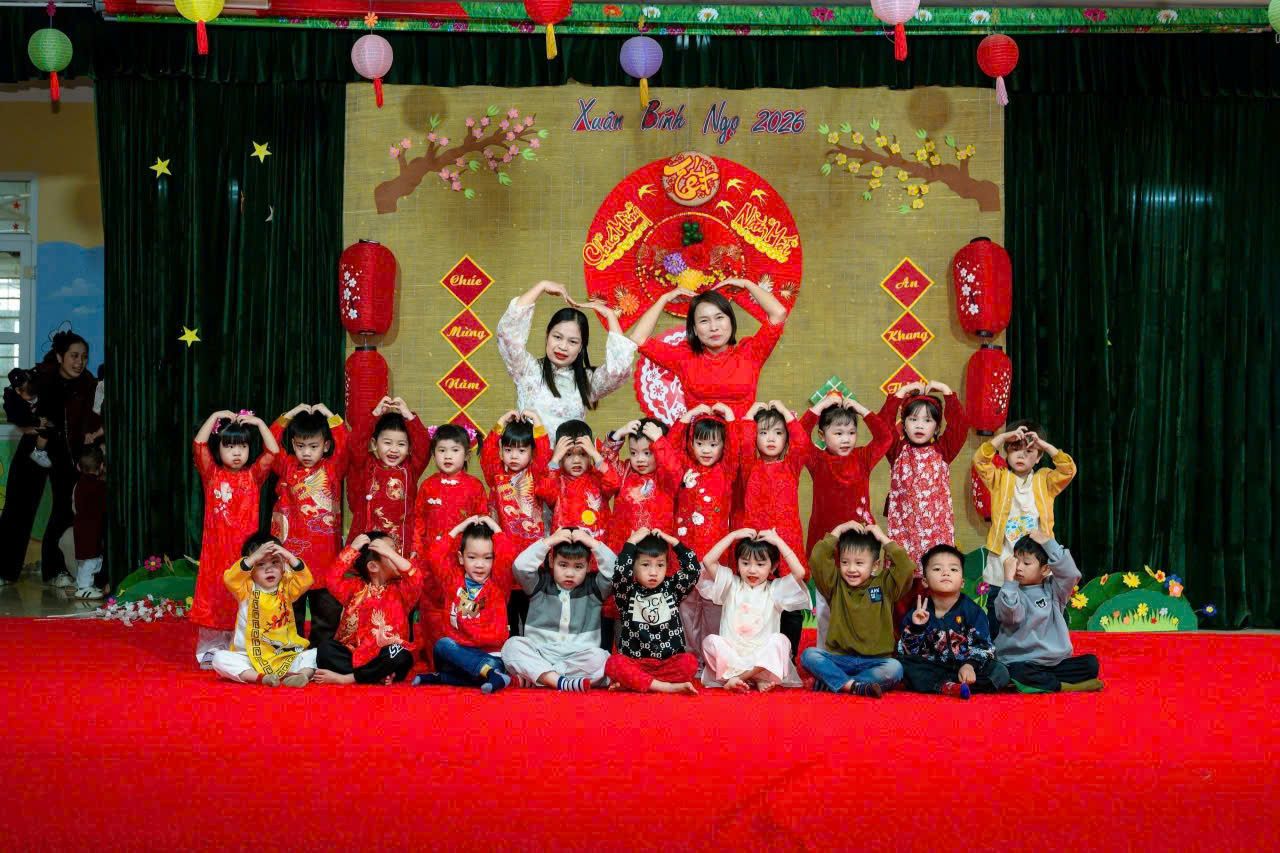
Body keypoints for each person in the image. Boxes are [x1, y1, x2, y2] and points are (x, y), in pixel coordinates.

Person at [0, 331, 97, 587]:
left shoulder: (88, 383)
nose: (79, 362)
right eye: (74, 356)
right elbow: (13, 400)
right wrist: (27, 422)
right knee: (19, 506)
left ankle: (55, 571)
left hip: (67, 452)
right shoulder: (41, 376)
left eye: (84, 357)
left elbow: (93, 416)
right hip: (35, 447)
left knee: (65, 509)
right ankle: (4, 570)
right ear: (59, 356)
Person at [650, 403, 742, 665]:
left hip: (714, 557)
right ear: (691, 443)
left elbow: (736, 449)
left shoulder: (726, 471)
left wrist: (731, 418)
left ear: (722, 446)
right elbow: (669, 449)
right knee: (686, 608)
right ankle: (690, 658)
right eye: (700, 443)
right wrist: (686, 417)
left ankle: (712, 658)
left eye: (713, 444)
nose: (706, 450)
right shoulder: (683, 468)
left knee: (714, 608)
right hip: (685, 556)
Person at [800, 392, 893, 650]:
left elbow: (885, 437)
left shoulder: (863, 457)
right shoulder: (817, 460)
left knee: (860, 605)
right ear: (822, 435)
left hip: (859, 546)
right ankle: (825, 654)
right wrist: (819, 406)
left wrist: (862, 410)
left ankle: (861, 651)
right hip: (826, 543)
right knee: (825, 607)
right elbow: (798, 436)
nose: (846, 439)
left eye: (851, 433)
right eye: (838, 433)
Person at [189, 409, 279, 665]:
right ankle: (210, 652)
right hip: (216, 553)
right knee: (215, 598)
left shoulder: (254, 476)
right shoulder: (211, 474)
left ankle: (242, 649)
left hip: (245, 555)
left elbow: (273, 452)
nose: (237, 453)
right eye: (229, 447)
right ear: (219, 450)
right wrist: (216, 416)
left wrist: (259, 423)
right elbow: (199, 443)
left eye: (242, 446)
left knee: (244, 599)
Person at [878, 381, 971, 627]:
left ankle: (937, 637)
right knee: (902, 593)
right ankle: (901, 640)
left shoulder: (943, 449)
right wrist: (898, 394)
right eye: (913, 419)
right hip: (904, 536)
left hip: (935, 538)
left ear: (937, 427)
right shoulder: (897, 450)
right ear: (903, 424)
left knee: (935, 592)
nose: (919, 425)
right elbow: (881, 426)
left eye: (927, 420)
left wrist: (947, 392)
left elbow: (961, 425)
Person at [496, 279, 637, 440]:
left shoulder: (587, 381)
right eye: (557, 337)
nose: (563, 347)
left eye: (573, 342)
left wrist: (610, 316)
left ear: (581, 346)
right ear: (547, 336)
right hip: (530, 456)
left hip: (571, 456)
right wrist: (541, 286)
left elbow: (619, 370)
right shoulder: (525, 369)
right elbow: (507, 334)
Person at [626, 283, 787, 418]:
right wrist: (664, 299)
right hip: (698, 444)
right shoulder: (684, 357)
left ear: (731, 322)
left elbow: (778, 313)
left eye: (719, 317)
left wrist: (747, 284)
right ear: (695, 330)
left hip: (742, 443)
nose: (714, 327)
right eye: (704, 321)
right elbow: (639, 338)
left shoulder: (750, 354)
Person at [801, 522, 913, 697]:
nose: (851, 569)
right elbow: (817, 559)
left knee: (895, 668)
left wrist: (883, 539)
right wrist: (838, 530)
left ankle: (836, 683)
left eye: (859, 563)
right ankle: (855, 686)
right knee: (809, 655)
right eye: (845, 562)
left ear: (875, 565)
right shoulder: (834, 584)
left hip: (875, 661)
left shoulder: (885, 585)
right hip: (840, 660)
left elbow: (906, 568)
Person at [269, 403, 348, 645]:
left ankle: (322, 653)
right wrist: (289, 415)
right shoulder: (287, 466)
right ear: (293, 444)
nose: (306, 453)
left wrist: (331, 416)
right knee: (290, 612)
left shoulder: (332, 468)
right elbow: (270, 444)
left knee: (326, 614)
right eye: (300, 446)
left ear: (326, 445)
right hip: (291, 555)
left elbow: (346, 445)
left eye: (314, 446)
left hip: (325, 556)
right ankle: (291, 650)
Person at [500, 527, 617, 692]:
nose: (570, 573)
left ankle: (540, 677)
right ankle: (562, 682)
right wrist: (548, 542)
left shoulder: (594, 588)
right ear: (551, 560)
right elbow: (520, 567)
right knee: (511, 646)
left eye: (578, 567)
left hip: (577, 656)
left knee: (601, 659)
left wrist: (593, 544)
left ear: (589, 565)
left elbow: (616, 571)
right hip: (540, 653)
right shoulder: (539, 583)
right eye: (563, 565)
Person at [735, 400, 811, 654]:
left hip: (787, 542)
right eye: (763, 432)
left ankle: (788, 657)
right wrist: (749, 415)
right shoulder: (750, 466)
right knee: (757, 602)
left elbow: (802, 443)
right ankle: (757, 653)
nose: (770, 438)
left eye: (778, 433)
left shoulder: (791, 466)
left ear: (786, 439)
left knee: (790, 606)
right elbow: (744, 444)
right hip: (757, 546)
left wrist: (787, 414)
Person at [989, 529, 1102, 693]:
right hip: (1020, 661)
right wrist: (1008, 581)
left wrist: (1049, 543)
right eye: (1016, 561)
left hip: (1053, 663)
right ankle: (1063, 686)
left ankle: (1041, 682)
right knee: (1015, 672)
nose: (1018, 567)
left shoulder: (1054, 589)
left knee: (1091, 664)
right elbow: (1013, 618)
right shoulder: (1008, 592)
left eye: (1026, 563)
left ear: (1045, 569)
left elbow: (1070, 574)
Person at [697, 528, 811, 692]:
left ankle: (740, 679)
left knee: (781, 641)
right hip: (733, 660)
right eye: (745, 563)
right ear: (737, 564)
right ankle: (754, 678)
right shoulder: (731, 584)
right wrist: (733, 536)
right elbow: (708, 561)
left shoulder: (775, 590)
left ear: (773, 567)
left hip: (762, 662)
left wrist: (778, 541)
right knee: (710, 642)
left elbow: (800, 572)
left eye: (760, 564)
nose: (752, 570)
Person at [414, 516, 517, 692]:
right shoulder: (452, 580)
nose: (480, 565)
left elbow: (508, 555)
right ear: (461, 558)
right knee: (443, 645)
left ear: (494, 559)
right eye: (472, 557)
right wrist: (459, 528)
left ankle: (447, 678)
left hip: (489, 656)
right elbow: (435, 556)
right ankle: (487, 675)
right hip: (457, 654)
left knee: (492, 664)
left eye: (487, 558)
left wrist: (495, 527)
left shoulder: (498, 584)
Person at [897, 544, 1009, 699]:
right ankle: (946, 686)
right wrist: (917, 628)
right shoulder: (918, 611)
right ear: (925, 581)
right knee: (904, 666)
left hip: (967, 667)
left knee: (1000, 672)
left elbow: (984, 646)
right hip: (934, 668)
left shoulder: (973, 611)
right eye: (937, 569)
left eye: (953, 569)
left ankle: (953, 686)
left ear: (962, 582)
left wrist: (969, 665)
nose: (946, 573)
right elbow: (907, 652)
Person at [974, 421, 1076, 585]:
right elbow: (980, 461)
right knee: (1001, 593)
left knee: (1036, 594)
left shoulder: (1045, 480)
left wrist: (1045, 446)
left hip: (1036, 554)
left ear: (1039, 457)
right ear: (1007, 453)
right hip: (1005, 552)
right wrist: (1002, 437)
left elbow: (1068, 470)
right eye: (1015, 449)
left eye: (1029, 451)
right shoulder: (999, 478)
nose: (1021, 455)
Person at [313, 533, 421, 686]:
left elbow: (416, 577)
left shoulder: (403, 589)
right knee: (325, 649)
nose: (398, 557)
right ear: (373, 566)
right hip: (356, 654)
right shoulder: (355, 587)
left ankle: (349, 678)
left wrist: (390, 554)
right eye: (390, 552)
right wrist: (352, 549)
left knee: (401, 654)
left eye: (396, 552)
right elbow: (331, 580)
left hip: (386, 655)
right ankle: (376, 675)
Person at [480, 410, 552, 636]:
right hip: (504, 557)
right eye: (508, 450)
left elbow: (545, 454)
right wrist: (500, 423)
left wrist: (537, 421)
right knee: (507, 615)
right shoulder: (495, 475)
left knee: (532, 617)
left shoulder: (535, 474)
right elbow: (487, 455)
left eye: (521, 451)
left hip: (532, 557)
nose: (514, 456)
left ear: (531, 453)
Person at [210, 534, 316, 687]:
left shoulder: (287, 587)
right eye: (260, 564)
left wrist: (289, 556)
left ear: (283, 565)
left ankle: (301, 676)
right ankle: (262, 678)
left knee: (315, 654)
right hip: (249, 656)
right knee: (219, 659)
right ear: (250, 568)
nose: (269, 569)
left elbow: (306, 580)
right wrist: (253, 558)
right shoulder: (245, 588)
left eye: (275, 562)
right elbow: (230, 579)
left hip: (284, 655)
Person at [605, 528, 702, 695]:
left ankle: (638, 683)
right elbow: (620, 574)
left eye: (660, 565)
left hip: (668, 663)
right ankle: (665, 687)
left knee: (690, 663)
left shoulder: (672, 589)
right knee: (613, 664)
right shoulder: (626, 592)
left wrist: (674, 542)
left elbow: (693, 570)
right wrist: (630, 543)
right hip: (636, 662)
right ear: (633, 567)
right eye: (645, 565)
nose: (653, 572)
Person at [345, 395, 430, 553]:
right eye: (387, 443)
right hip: (367, 539)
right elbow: (354, 443)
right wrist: (375, 414)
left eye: (401, 444)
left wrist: (409, 416)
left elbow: (424, 447)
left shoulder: (410, 468)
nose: (394, 450)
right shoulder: (366, 465)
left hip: (401, 544)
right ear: (374, 443)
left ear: (410, 448)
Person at [599, 418, 677, 553]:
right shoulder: (625, 471)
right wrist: (619, 434)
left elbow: (672, 467)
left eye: (647, 453)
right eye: (633, 453)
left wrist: (659, 440)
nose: (640, 459)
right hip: (623, 545)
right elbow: (605, 463)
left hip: (655, 550)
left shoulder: (665, 477)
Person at [535, 419, 619, 542]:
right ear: (560, 455)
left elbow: (614, 483)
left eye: (583, 454)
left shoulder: (597, 476)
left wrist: (595, 454)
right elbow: (544, 491)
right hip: (565, 547)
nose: (576, 461)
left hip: (598, 545)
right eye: (568, 454)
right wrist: (555, 459)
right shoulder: (557, 479)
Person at [70, 444, 107, 599]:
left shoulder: (79, 484)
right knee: (92, 560)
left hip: (80, 527)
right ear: (102, 466)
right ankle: (84, 587)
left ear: (79, 467)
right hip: (92, 530)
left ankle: (81, 583)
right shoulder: (100, 486)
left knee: (84, 561)